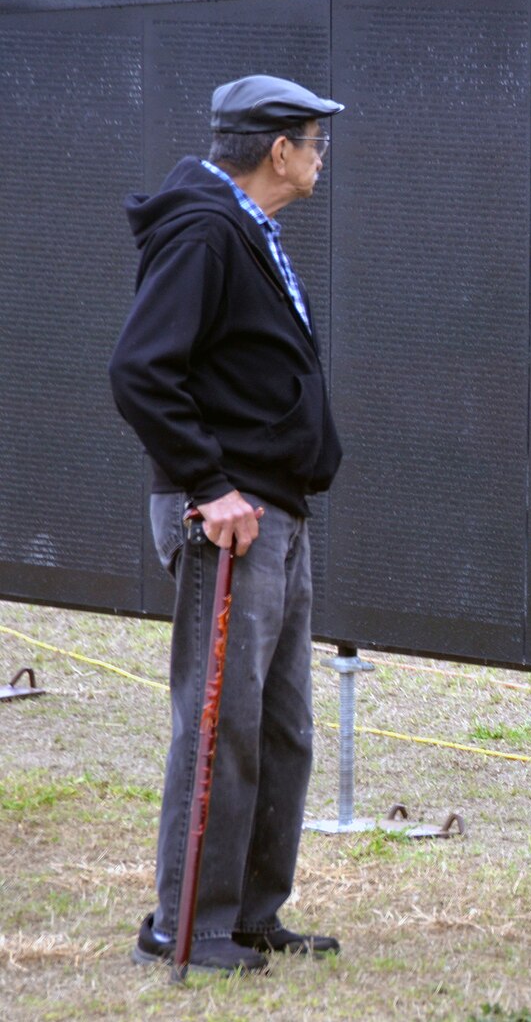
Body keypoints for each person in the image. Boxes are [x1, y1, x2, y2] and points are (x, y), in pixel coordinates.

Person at [109, 74, 345, 974]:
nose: (323, 155)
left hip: (275, 510)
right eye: (315, 140)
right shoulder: (207, 230)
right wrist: (210, 487)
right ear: (279, 150)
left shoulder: (244, 230)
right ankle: (187, 926)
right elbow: (139, 369)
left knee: (280, 728)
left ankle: (248, 915)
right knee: (220, 727)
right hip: (231, 519)